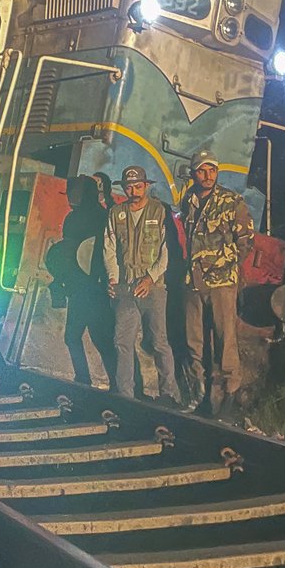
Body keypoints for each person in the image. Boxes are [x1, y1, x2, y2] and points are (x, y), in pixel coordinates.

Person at [180, 148, 255, 419]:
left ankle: (227, 398)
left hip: (222, 282)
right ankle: (197, 395)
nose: (207, 175)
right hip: (193, 282)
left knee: (226, 341)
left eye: (212, 170)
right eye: (202, 170)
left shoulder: (231, 202)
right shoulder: (188, 200)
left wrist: (223, 266)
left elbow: (245, 242)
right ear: (194, 173)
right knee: (194, 340)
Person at [103, 165, 183, 407]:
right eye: (129, 187)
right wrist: (113, 279)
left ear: (146, 186)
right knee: (122, 341)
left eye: (138, 186)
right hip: (126, 286)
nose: (134, 191)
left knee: (158, 341)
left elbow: (167, 250)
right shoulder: (116, 213)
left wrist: (151, 277)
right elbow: (109, 248)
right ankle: (125, 394)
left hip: (154, 287)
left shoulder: (160, 211)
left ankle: (169, 394)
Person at [52, 175, 117, 387]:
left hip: (89, 287)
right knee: (99, 339)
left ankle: (88, 380)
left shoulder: (90, 217)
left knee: (83, 337)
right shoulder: (100, 215)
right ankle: (115, 383)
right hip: (87, 286)